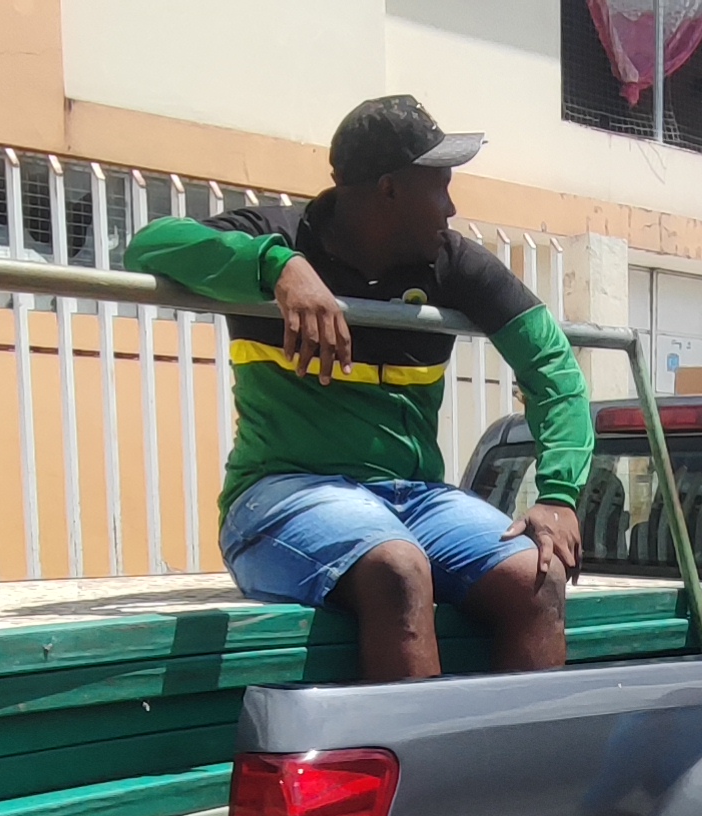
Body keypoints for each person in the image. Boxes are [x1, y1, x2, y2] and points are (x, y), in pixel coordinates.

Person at [125, 96, 593, 681]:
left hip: (414, 498)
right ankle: (421, 744)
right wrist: (278, 268)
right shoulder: (277, 236)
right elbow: (150, 244)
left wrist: (558, 496)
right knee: (398, 570)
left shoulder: (452, 264)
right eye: (440, 186)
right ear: (389, 189)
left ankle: (519, 745)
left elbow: (552, 367)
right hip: (281, 494)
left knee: (538, 577)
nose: (451, 207)